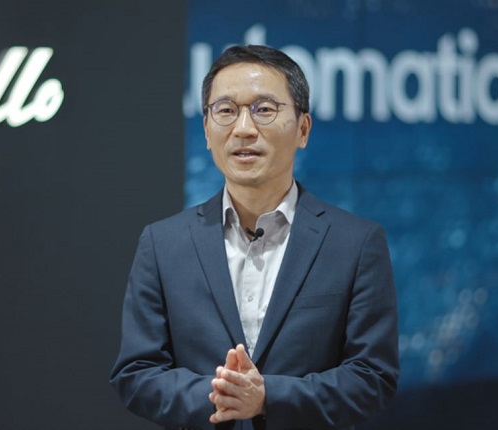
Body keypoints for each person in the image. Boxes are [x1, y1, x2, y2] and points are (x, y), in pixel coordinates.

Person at [110, 45, 399, 430]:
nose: (244, 128)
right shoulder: (162, 244)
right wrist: (223, 395)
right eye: (226, 110)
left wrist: (267, 398)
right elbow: (137, 372)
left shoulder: (356, 244)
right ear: (207, 131)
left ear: (303, 129)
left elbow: (372, 376)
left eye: (264, 109)